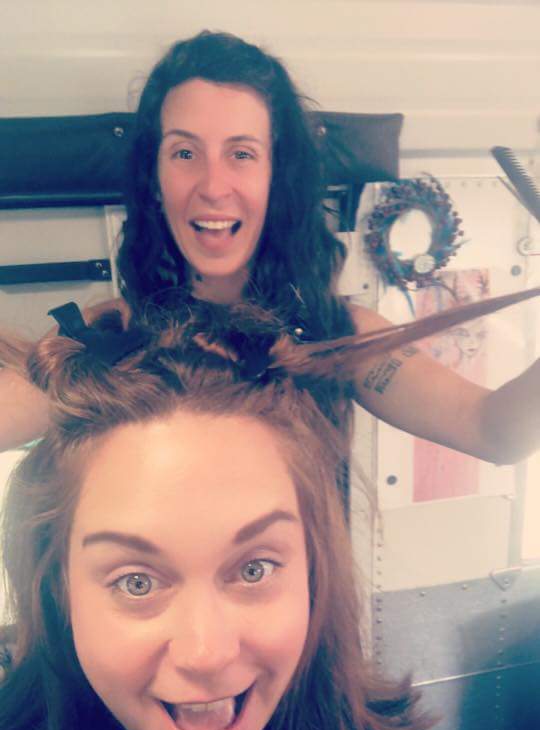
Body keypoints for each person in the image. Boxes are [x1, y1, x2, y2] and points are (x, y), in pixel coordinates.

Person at [0, 305, 538, 730]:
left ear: (315, 571)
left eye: (253, 569)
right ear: (58, 592)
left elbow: (497, 427)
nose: (206, 653)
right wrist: (71, 368)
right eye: (137, 582)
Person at [2, 30, 540, 462]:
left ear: (275, 178)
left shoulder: (339, 337)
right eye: (185, 153)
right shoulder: (101, 338)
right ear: (155, 179)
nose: (213, 185)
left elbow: (494, 431)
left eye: (242, 154)